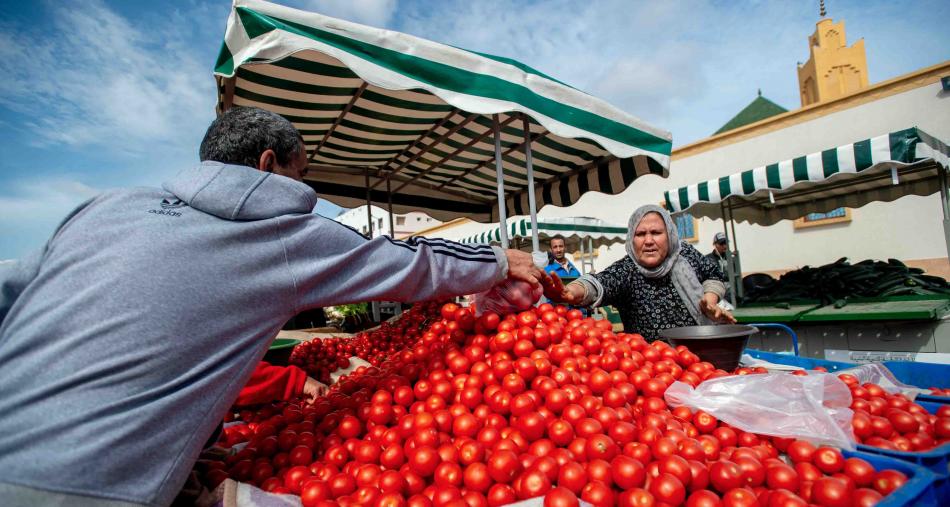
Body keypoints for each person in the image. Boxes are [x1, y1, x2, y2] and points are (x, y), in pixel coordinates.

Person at [0, 106, 547, 507]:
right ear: (267, 164)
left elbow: (12, 291)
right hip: (87, 488)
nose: (304, 189)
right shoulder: (279, 232)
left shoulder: (106, 208)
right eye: (301, 174)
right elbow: (408, 265)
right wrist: (499, 261)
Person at [545, 204, 735, 341]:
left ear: (670, 235)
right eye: (640, 234)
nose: (649, 240)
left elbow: (712, 274)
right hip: (654, 373)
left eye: (656, 232)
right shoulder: (627, 270)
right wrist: (572, 291)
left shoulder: (685, 254)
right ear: (631, 240)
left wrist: (709, 301)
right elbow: (598, 283)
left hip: (702, 356)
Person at [705, 232, 734, 303]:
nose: (724, 246)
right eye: (721, 243)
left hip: (730, 289)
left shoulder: (730, 258)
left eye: (726, 243)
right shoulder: (707, 258)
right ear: (715, 244)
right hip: (716, 288)